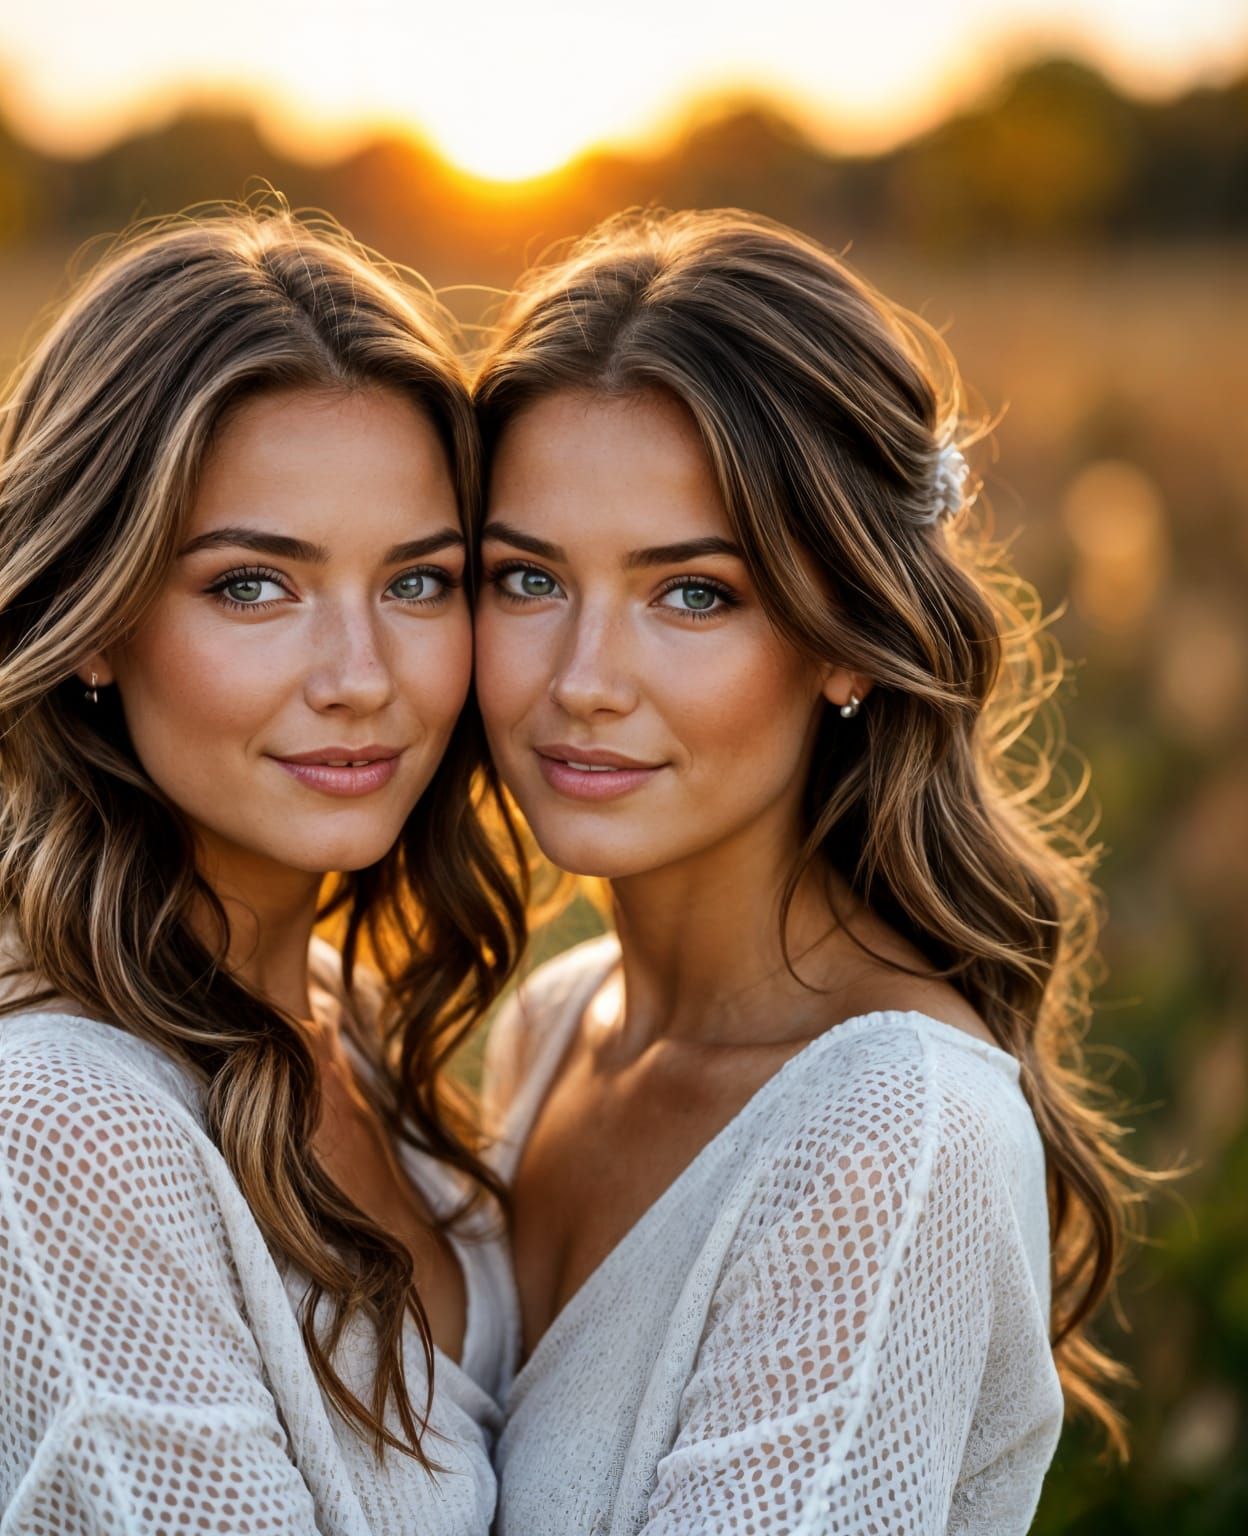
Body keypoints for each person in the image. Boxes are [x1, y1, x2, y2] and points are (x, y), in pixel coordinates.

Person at [0, 204, 527, 1535]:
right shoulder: (53, 1119)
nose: (361, 678)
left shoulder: (348, 1022)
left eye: (417, 583)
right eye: (253, 586)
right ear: (93, 620)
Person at [472, 208, 1146, 1535]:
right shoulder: (553, 1029)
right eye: (528, 579)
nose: (584, 681)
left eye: (695, 593)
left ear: (845, 639)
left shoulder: (897, 1129)